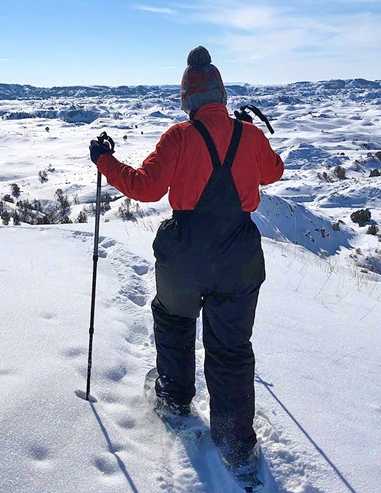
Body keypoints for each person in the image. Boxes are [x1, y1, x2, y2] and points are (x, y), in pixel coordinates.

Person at [89, 46, 284, 471]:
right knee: (231, 348)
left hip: (185, 256)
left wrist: (104, 159)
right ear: (222, 95)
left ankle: (175, 398)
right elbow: (274, 171)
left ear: (188, 101)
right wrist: (248, 135)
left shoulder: (178, 137)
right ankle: (236, 445)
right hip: (239, 256)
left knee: (174, 319)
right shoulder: (249, 136)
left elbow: (144, 188)